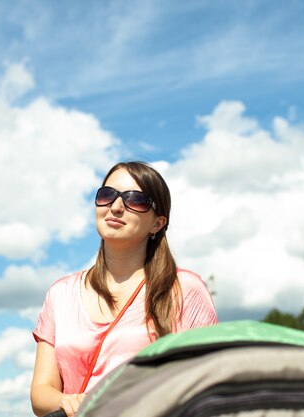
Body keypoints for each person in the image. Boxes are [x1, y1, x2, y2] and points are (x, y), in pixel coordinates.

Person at [30, 161, 218, 417]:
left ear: (158, 223)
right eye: (107, 195)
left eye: (135, 200)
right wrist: (67, 401)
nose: (116, 207)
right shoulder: (60, 294)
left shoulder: (185, 289)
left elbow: (207, 386)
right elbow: (41, 391)